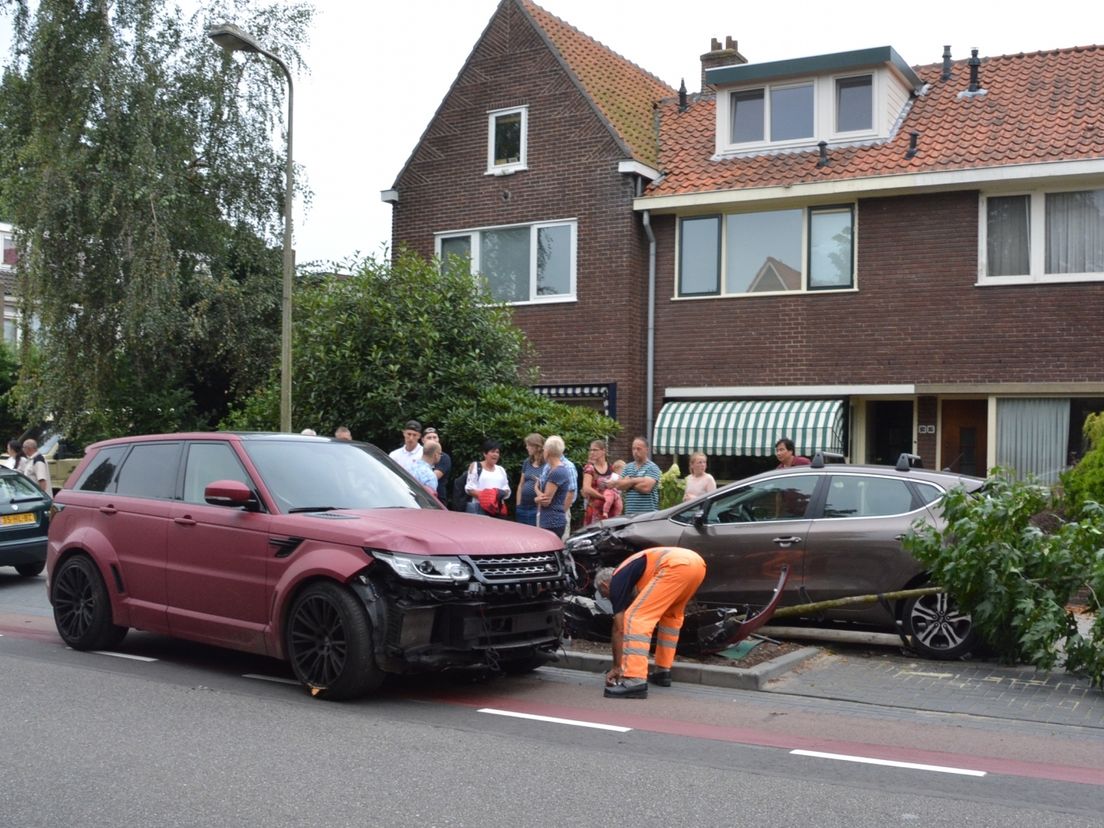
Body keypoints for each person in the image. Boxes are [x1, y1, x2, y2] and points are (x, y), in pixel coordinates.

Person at [595, 546, 707, 699]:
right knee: (671, 616)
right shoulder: (633, 572)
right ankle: (662, 672)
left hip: (676, 565)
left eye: (605, 596)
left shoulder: (617, 580)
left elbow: (619, 628)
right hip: (697, 564)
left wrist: (616, 667)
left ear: (604, 586)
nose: (610, 599)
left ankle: (634, 680)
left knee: (635, 617)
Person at [607, 436, 661, 515]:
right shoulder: (627, 467)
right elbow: (619, 486)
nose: (635, 451)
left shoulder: (653, 467)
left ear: (646, 450)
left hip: (648, 516)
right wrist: (638, 480)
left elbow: (646, 488)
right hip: (630, 515)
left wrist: (629, 481)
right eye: (633, 449)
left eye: (638, 449)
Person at [534, 435, 571, 537]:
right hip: (551, 521)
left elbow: (545, 501)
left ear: (548, 452)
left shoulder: (557, 472)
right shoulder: (555, 469)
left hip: (552, 522)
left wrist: (536, 492)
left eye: (544, 449)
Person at [464, 439, 511, 515]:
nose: (495, 454)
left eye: (497, 452)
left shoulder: (501, 469)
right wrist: (487, 497)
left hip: (497, 509)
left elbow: (507, 489)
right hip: (479, 508)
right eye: (492, 451)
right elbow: (469, 488)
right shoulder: (476, 466)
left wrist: (497, 495)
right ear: (485, 454)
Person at [581, 439, 617, 526]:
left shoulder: (611, 467)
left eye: (595, 450)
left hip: (608, 509)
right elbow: (586, 488)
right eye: (591, 450)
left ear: (603, 451)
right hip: (594, 510)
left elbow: (616, 485)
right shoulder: (590, 468)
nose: (592, 452)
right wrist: (604, 498)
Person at [515, 432, 544, 526]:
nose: (526, 447)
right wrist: (518, 504)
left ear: (537, 447)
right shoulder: (527, 462)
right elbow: (521, 484)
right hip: (522, 506)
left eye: (529, 445)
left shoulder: (546, 465)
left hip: (536, 507)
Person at [421, 426, 451, 503]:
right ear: (423, 440)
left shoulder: (443, 457)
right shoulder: (417, 455)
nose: (433, 440)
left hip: (438, 499)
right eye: (429, 437)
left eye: (435, 437)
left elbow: (432, 477)